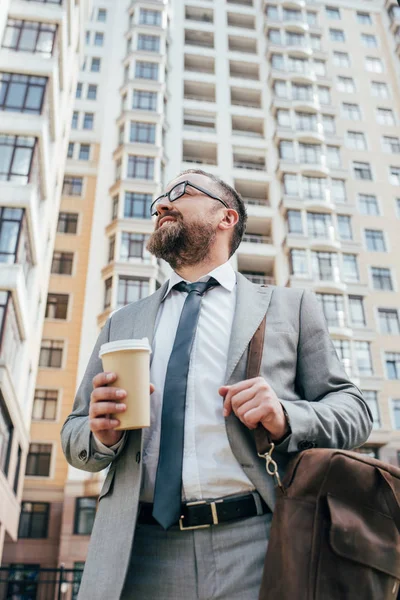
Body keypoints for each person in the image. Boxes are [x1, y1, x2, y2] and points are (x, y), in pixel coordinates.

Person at [61, 169, 373, 600]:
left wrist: (287, 416)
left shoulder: (290, 307)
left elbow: (354, 411)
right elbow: (74, 433)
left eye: (179, 192)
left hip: (259, 541)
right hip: (138, 551)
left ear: (226, 217)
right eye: (159, 199)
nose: (160, 205)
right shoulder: (122, 323)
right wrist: (100, 435)